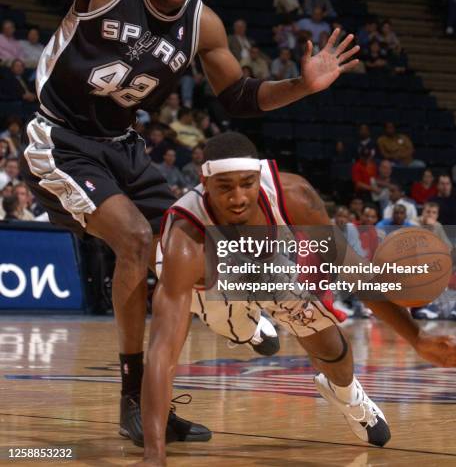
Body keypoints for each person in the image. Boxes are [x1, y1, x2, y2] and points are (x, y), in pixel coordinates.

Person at [1, 0, 359, 448]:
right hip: (61, 140)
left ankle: (228, 321)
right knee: (137, 241)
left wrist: (301, 86)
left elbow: (238, 97)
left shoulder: (203, 25)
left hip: (124, 144)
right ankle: (133, 396)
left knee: (187, 244)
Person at [143, 132, 456, 465]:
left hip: (268, 264)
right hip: (208, 281)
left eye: (246, 183)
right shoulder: (184, 241)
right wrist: (154, 455)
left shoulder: (294, 196)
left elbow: (353, 272)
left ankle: (349, 397)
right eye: (224, 187)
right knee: (231, 325)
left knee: (332, 348)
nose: (237, 197)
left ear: (257, 175)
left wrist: (418, 338)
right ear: (204, 182)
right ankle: (249, 330)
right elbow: (162, 353)